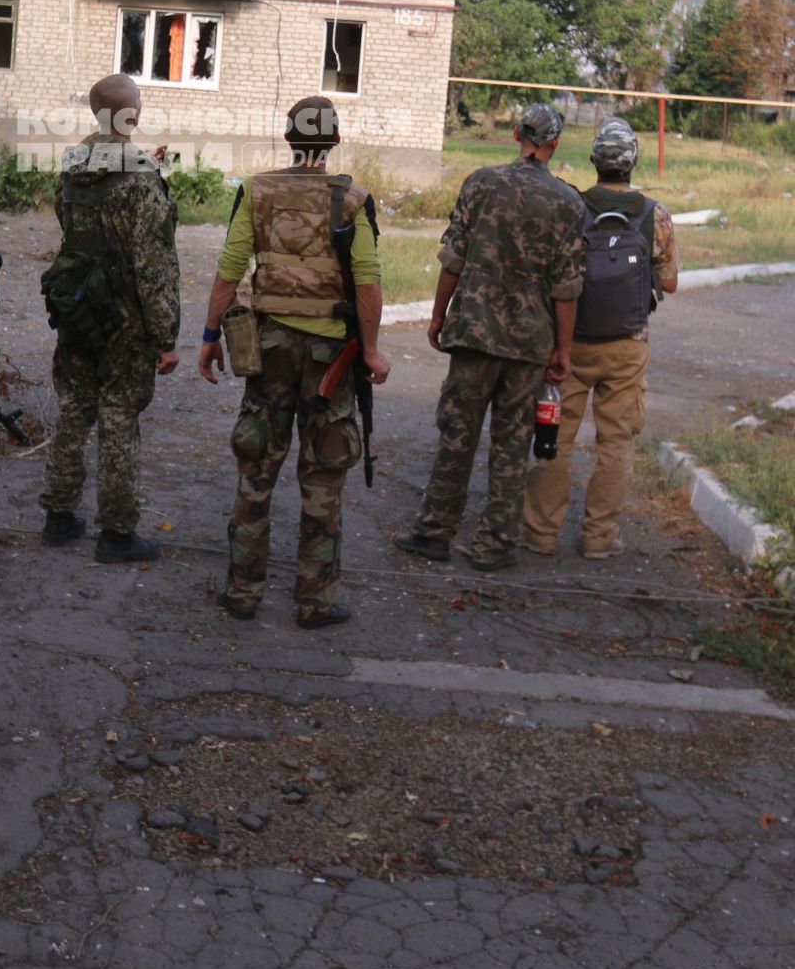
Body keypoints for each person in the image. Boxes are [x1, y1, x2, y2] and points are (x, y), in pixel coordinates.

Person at [199, 95, 390, 629]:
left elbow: (231, 267)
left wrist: (211, 335)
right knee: (324, 473)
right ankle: (315, 600)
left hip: (270, 351)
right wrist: (371, 350)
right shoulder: (352, 198)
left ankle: (242, 591)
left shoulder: (255, 191)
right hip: (332, 358)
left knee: (257, 466)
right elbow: (369, 283)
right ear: (332, 142)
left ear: (289, 139)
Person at [395, 104, 585, 573]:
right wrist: (562, 348)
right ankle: (494, 544)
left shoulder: (480, 183)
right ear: (555, 142)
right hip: (529, 344)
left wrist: (438, 316)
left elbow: (453, 257)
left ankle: (434, 532)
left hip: (474, 336)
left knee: (457, 434)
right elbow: (567, 288)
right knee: (512, 442)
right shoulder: (568, 203)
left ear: (517, 133)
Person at [522, 117, 679, 560]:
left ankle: (541, 533)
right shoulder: (656, 215)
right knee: (616, 443)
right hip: (627, 346)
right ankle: (598, 538)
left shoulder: (573, 206)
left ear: (595, 160)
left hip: (568, 343)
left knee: (556, 437)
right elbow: (668, 284)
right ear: (633, 162)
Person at [39, 73, 180, 563]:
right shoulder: (141, 180)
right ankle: (116, 532)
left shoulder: (73, 165)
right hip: (124, 319)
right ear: (133, 115)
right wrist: (165, 336)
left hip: (78, 307)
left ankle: (58, 515)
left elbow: (75, 222)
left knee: (75, 407)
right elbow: (153, 266)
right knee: (119, 416)